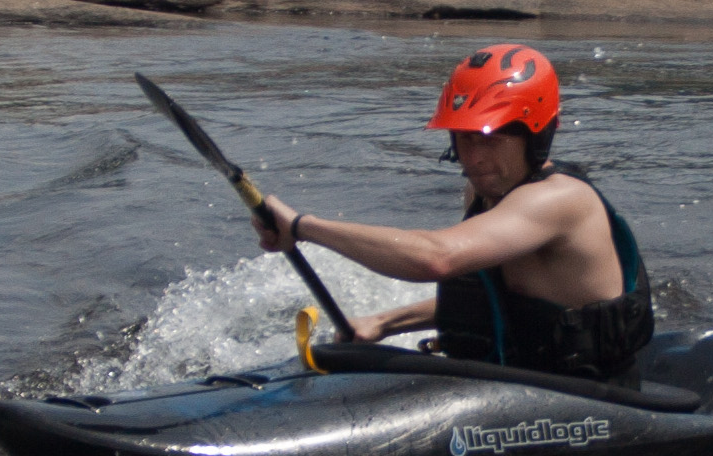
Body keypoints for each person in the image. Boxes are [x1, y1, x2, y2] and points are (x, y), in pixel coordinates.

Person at [251, 41, 654, 379]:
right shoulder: (482, 193)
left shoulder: (559, 201)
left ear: (535, 133)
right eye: (464, 138)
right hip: (516, 385)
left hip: (593, 400)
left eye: (490, 139)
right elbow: (494, 300)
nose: (473, 158)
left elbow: (436, 258)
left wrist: (302, 226)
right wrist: (386, 323)